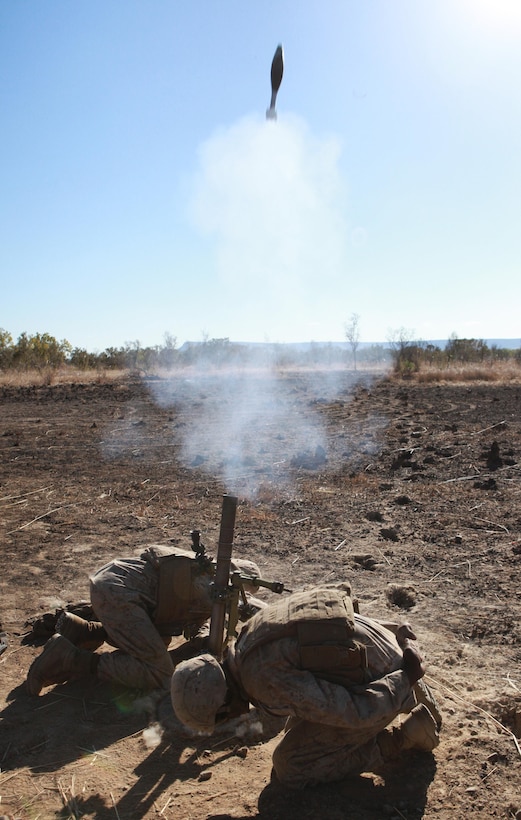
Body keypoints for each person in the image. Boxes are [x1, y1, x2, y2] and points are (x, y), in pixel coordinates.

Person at [170, 583, 442, 789]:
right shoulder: (247, 639)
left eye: (221, 717)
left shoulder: (262, 680)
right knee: (297, 727)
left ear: (224, 702)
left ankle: (404, 736)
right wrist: (398, 636)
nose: (229, 718)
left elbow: (355, 710)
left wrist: (406, 676)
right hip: (383, 643)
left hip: (392, 673)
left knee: (292, 765)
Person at [26, 543, 262, 696]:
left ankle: (83, 631)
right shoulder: (210, 583)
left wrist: (203, 638)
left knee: (160, 642)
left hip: (116, 585)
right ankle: (70, 658)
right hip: (119, 595)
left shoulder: (203, 570)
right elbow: (212, 608)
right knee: (160, 673)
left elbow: (197, 620)